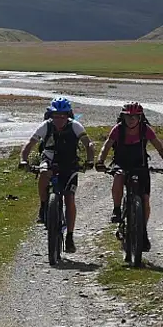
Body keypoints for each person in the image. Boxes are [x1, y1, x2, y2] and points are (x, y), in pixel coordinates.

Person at [18, 96, 94, 253]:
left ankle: (70, 236)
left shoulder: (75, 126)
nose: (59, 119)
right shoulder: (46, 126)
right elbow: (29, 144)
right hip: (49, 160)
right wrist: (23, 160)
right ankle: (44, 205)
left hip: (70, 163)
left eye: (63, 115)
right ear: (50, 115)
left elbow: (88, 144)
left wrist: (90, 160)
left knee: (70, 198)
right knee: (43, 172)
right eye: (56, 115)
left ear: (68, 115)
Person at [95, 101, 163, 250]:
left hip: (141, 165)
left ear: (140, 117)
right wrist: (100, 160)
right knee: (118, 177)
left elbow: (159, 147)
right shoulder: (118, 129)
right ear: (123, 117)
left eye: (134, 117)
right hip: (122, 164)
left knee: (145, 200)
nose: (131, 119)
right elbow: (107, 145)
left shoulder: (146, 130)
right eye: (128, 116)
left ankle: (142, 232)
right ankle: (117, 210)